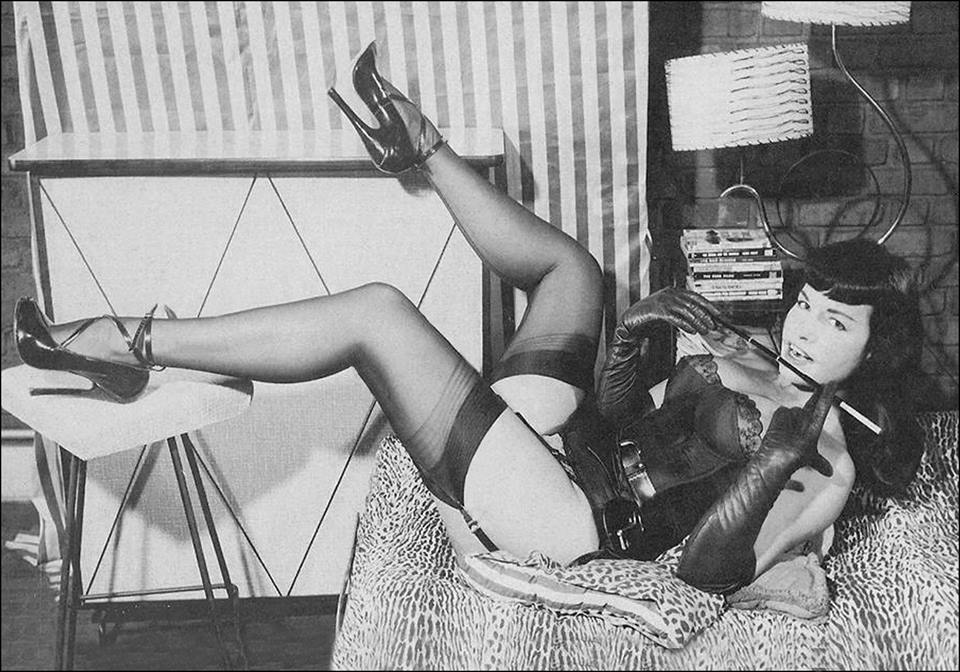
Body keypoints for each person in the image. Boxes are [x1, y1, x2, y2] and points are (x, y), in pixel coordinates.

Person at [13, 42, 924, 596]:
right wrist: (638, 338)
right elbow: (623, 414)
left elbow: (706, 571)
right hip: (573, 450)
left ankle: (128, 344)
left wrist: (771, 462)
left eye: (836, 325)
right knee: (575, 272)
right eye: (806, 306)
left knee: (377, 315)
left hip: (574, 525)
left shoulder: (830, 460)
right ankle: (422, 149)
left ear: (877, 350)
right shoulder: (753, 352)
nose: (804, 330)